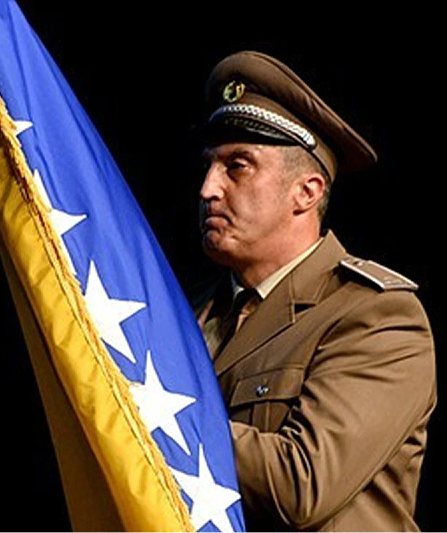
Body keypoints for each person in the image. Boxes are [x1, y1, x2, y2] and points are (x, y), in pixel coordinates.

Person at [190, 51, 437, 531]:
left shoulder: (378, 316)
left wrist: (161, 415)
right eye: (208, 167)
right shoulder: (190, 310)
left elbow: (302, 484)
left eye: (237, 166)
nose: (208, 189)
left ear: (307, 191)